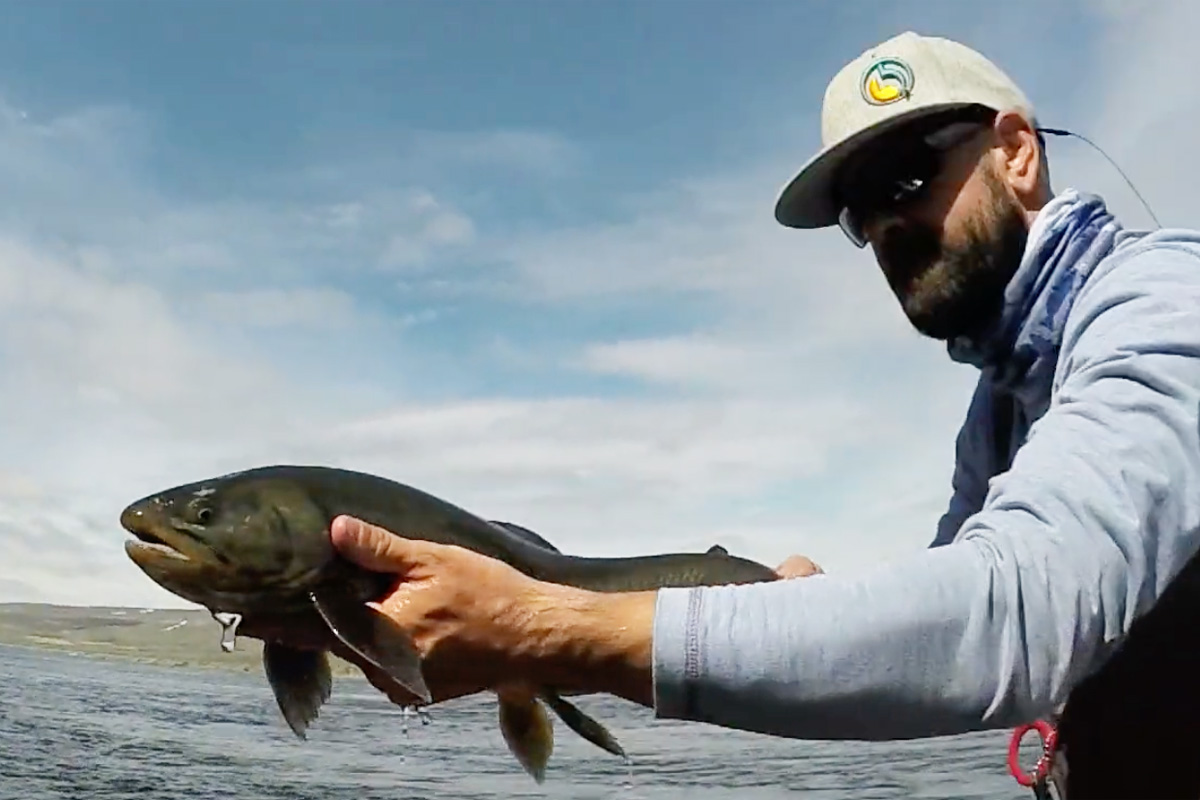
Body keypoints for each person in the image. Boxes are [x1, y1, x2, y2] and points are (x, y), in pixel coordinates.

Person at [299, 29, 1200, 777]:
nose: (885, 227)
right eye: (858, 213)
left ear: (1016, 151)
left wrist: (549, 631)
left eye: (902, 178)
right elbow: (941, 627)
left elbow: (1014, 619)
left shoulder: (1168, 299)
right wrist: (802, 609)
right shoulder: (999, 409)